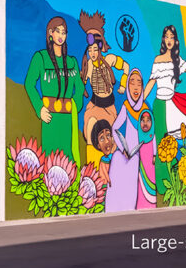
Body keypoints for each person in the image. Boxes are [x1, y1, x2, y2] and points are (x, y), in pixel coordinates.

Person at [23, 16, 85, 165]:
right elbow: (29, 84)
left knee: (68, 158)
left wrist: (75, 107)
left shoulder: (72, 62)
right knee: (50, 158)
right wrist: (40, 109)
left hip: (68, 117)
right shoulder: (41, 58)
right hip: (50, 117)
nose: (61, 36)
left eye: (64, 32)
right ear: (50, 33)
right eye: (58, 31)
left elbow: (80, 87)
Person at [79, 11, 129, 148]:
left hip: (109, 108)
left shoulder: (110, 59)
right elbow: (81, 82)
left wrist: (123, 85)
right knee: (90, 134)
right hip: (94, 105)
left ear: (100, 48)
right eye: (90, 50)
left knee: (110, 144)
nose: (92, 53)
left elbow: (126, 67)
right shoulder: (88, 66)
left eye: (94, 49)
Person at [108, 69, 147, 212]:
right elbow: (115, 128)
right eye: (132, 82)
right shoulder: (126, 106)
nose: (135, 87)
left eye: (139, 83)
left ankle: (129, 207)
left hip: (138, 154)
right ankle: (113, 207)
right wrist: (122, 148)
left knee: (132, 175)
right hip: (125, 152)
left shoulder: (145, 110)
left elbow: (150, 134)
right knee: (117, 161)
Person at [136, 108, 157, 209]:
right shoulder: (138, 136)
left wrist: (154, 155)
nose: (145, 123)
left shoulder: (152, 136)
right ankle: (141, 204)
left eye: (148, 121)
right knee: (141, 185)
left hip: (151, 166)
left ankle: (152, 204)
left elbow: (154, 146)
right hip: (141, 166)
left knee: (152, 183)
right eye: (143, 121)